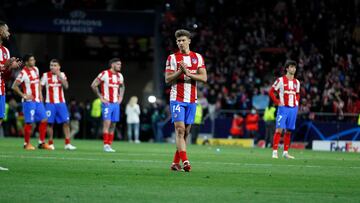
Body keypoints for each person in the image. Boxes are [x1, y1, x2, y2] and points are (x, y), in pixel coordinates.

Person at [165, 29, 207, 172]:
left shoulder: (198, 58)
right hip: (176, 98)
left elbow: (204, 78)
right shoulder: (172, 58)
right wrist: (180, 72)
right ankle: (186, 162)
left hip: (191, 100)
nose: (181, 43)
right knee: (180, 130)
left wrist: (189, 73)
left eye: (183, 40)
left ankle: (175, 163)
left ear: (189, 41)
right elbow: (167, 79)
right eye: (178, 41)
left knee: (186, 133)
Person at [12, 54, 51, 150]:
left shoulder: (36, 69)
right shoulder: (23, 73)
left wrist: (41, 95)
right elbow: (14, 86)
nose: (34, 61)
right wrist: (23, 95)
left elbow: (38, 83)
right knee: (29, 122)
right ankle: (26, 144)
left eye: (34, 59)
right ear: (26, 62)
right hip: (29, 102)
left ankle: (41, 143)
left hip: (38, 101)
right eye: (31, 60)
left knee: (44, 119)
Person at [0, 21, 22, 171]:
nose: (9, 32)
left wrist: (10, 68)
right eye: (6, 30)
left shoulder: (6, 51)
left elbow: (5, 76)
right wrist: (6, 65)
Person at [40, 59, 76, 150]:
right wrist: (41, 99)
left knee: (66, 122)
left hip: (61, 103)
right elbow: (40, 88)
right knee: (49, 124)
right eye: (51, 65)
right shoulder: (45, 75)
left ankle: (67, 144)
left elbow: (66, 86)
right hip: (49, 103)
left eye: (55, 65)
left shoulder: (62, 74)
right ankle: (50, 143)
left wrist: (59, 75)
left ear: (59, 67)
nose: (52, 67)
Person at [91, 58, 125, 152]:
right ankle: (105, 145)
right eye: (118, 64)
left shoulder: (119, 76)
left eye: (120, 64)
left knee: (113, 125)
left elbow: (122, 86)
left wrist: (121, 97)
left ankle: (109, 145)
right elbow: (94, 85)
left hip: (116, 104)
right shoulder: (104, 74)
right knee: (107, 123)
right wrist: (100, 97)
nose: (120, 66)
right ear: (112, 65)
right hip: (107, 103)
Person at [269, 60, 300, 159]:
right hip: (283, 109)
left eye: (294, 67)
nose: (293, 69)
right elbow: (271, 92)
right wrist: (278, 102)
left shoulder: (297, 82)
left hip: (293, 109)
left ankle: (285, 152)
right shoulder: (280, 80)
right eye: (291, 67)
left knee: (289, 131)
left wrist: (297, 103)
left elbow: (298, 94)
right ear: (287, 68)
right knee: (279, 130)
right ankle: (274, 152)